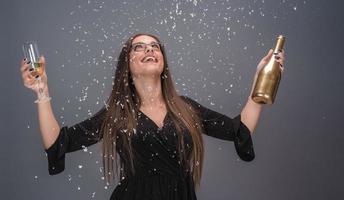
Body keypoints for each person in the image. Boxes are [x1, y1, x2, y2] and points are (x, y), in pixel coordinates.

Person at [20, 33, 285, 200]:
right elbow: (58, 142)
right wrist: (42, 92)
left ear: (162, 61)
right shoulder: (117, 112)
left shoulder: (186, 108)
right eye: (139, 47)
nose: (149, 50)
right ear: (127, 63)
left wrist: (261, 80)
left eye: (154, 46)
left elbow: (240, 131)